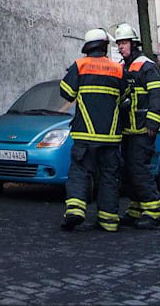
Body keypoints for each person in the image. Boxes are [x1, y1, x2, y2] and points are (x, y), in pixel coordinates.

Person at [58, 28, 123, 233]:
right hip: (110, 136)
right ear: (104, 46)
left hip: (85, 134)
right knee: (109, 176)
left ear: (87, 46)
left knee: (80, 172)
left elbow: (66, 93)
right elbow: (125, 98)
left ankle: (76, 211)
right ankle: (109, 221)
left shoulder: (80, 65)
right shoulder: (118, 69)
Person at [112, 22, 160, 229]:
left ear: (134, 44)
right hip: (128, 130)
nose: (120, 47)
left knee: (139, 169)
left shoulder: (146, 66)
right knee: (128, 170)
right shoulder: (123, 67)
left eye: (124, 43)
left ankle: (155, 212)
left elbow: (158, 95)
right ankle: (136, 209)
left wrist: (153, 121)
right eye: (119, 44)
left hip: (143, 130)